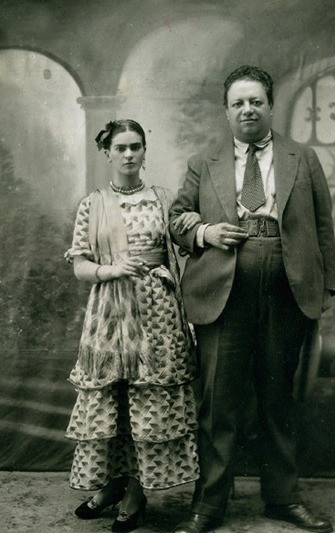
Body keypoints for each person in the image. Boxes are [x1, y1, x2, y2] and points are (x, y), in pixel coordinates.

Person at [169, 66, 335, 533]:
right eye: (238, 103)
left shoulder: (302, 157)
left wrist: (324, 290)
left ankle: (283, 498)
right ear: (226, 111)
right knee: (218, 400)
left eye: (256, 101)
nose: (248, 110)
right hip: (223, 288)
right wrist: (205, 231)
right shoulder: (204, 161)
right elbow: (177, 218)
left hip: (287, 285)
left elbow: (324, 225)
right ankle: (209, 506)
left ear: (270, 106)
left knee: (278, 398)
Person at [65, 119, 201, 533]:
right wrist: (112, 270)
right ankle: (112, 485)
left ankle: (136, 494)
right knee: (115, 399)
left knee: (147, 401)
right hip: (109, 311)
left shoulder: (163, 199)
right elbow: (80, 265)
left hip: (158, 312)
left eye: (135, 146)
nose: (128, 154)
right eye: (120, 147)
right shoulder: (92, 204)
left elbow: (186, 243)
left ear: (144, 151)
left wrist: (195, 233)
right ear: (107, 152)